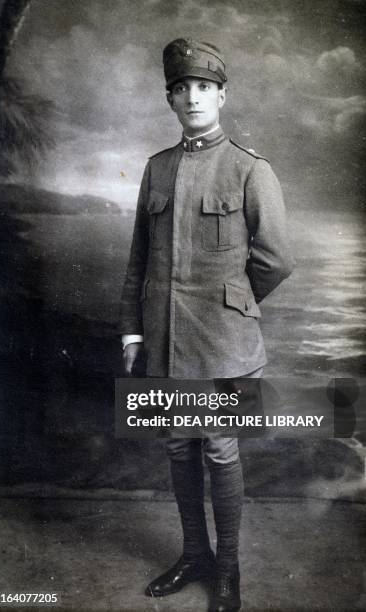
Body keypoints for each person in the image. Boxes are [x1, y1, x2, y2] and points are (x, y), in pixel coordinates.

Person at [118, 37, 294, 612]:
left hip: (223, 343)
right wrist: (133, 331)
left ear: (222, 96)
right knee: (176, 446)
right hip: (166, 338)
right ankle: (194, 554)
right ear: (170, 100)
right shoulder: (157, 168)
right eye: (181, 88)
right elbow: (139, 259)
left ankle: (228, 570)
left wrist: (233, 304)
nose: (192, 97)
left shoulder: (249, 169)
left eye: (203, 87)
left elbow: (274, 260)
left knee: (219, 448)